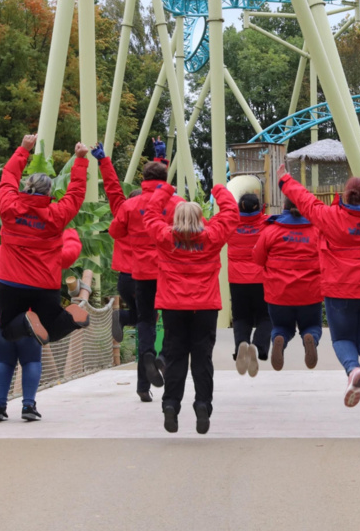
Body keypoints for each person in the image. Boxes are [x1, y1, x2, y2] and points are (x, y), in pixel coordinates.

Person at [277, 162, 360, 408]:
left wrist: (285, 179)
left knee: (342, 339)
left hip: (339, 291)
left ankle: (353, 372)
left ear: (344, 195)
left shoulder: (331, 218)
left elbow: (306, 201)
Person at [143, 181, 238, 434]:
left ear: (174, 217)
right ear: (201, 218)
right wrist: (219, 190)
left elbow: (150, 215)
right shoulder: (212, 236)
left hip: (173, 305)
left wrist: (164, 191)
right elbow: (231, 214)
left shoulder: (165, 237)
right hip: (205, 306)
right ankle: (203, 404)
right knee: (202, 358)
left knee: (175, 357)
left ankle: (171, 405)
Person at [0, 229, 82, 422]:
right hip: (28, 314)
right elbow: (67, 256)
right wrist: (68, 232)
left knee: (4, 361)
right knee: (31, 360)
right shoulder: (40, 253)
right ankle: (28, 405)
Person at [0, 134, 90, 345]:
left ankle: (25, 320)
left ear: (25, 186)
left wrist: (23, 149)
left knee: (7, 329)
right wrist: (81, 160)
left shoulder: (9, 207)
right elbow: (75, 194)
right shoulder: (57, 214)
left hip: (11, 282)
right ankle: (70, 317)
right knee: (49, 331)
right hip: (45, 285)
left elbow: (8, 177)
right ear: (49, 192)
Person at [108, 160, 185, 401]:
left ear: (144, 177)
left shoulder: (131, 205)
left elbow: (115, 232)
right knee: (174, 322)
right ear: (165, 178)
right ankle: (161, 357)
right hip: (168, 272)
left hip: (140, 273)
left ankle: (143, 383)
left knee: (145, 323)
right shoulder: (177, 203)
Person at [252, 197, 322, 371]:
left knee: (281, 327)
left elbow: (258, 259)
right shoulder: (317, 231)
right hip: (310, 293)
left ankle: (279, 340)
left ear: (284, 206)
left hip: (278, 294)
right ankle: (310, 337)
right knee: (312, 325)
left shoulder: (271, 231)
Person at [90, 142, 140, 351]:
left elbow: (113, 188)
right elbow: (158, 189)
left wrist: (103, 161)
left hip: (126, 277)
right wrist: (160, 159)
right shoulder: (155, 216)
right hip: (146, 276)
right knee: (148, 315)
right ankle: (150, 352)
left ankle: (123, 317)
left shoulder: (122, 211)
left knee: (142, 315)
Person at [227, 192, 271, 377]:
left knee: (240, 318)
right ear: (259, 208)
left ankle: (241, 346)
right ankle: (259, 346)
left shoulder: (230, 224)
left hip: (237, 280)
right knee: (266, 317)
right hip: (261, 278)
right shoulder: (267, 223)